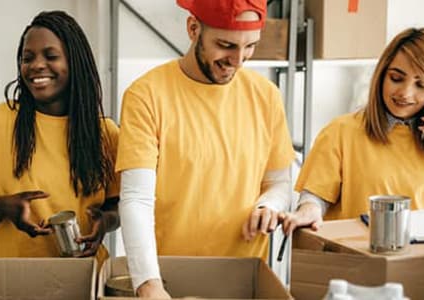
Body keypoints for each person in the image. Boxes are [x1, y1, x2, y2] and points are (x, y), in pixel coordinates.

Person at [116, 0, 295, 297]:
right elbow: (136, 198)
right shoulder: (146, 96)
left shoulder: (266, 96)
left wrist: (269, 205)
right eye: (226, 45)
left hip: (243, 278)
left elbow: (279, 182)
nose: (238, 60)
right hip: (170, 279)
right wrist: (148, 284)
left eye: (250, 46)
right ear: (193, 28)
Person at [281, 27, 424, 236]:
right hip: (356, 263)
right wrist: (308, 210)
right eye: (396, 78)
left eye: (421, 84)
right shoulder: (340, 132)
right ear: (382, 74)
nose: (405, 93)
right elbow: (314, 197)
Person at [0, 10, 120, 259]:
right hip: (9, 280)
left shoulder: (105, 134)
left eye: (51, 56)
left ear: (75, 62)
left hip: (82, 274)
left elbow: (116, 206)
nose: (36, 65)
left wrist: (105, 222)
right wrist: (4, 207)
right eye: (27, 58)